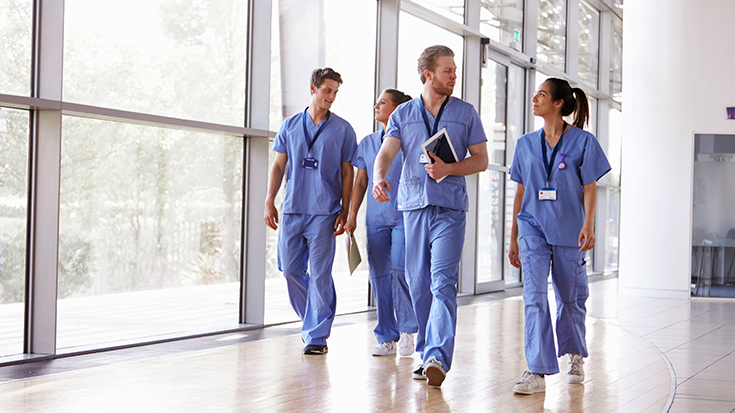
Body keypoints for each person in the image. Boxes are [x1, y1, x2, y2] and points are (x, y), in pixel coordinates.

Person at [372, 45, 488, 387]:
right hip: (413, 208)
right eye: (448, 71)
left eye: (454, 70)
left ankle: (437, 354)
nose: (454, 76)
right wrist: (380, 178)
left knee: (442, 282)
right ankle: (426, 353)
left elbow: (480, 159)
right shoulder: (403, 114)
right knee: (419, 285)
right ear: (428, 74)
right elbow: (386, 153)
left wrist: (449, 168)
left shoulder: (465, 113)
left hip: (450, 209)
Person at [508, 78, 611, 394]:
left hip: (569, 229)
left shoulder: (583, 142)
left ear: (558, 104)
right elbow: (521, 189)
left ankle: (575, 355)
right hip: (532, 228)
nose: (534, 98)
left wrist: (589, 225)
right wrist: (513, 236)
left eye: (541, 94)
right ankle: (537, 371)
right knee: (534, 297)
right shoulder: (525, 144)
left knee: (570, 298)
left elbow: (590, 186)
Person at [264, 67, 356, 355]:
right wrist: (269, 200)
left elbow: (347, 172)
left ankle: (317, 335)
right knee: (290, 270)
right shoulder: (290, 126)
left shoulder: (343, 129)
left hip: (325, 211)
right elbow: (279, 166)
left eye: (335, 92)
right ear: (313, 89)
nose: (332, 97)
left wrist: (345, 208)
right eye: (327, 90)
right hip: (292, 209)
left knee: (320, 274)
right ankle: (311, 321)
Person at [344, 89, 418, 358]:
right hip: (375, 219)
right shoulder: (367, 142)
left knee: (399, 270)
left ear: (398, 109)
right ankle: (387, 336)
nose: (376, 105)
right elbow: (360, 182)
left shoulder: (410, 141)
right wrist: (352, 216)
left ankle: (409, 330)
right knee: (378, 277)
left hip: (404, 216)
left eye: (383, 102)